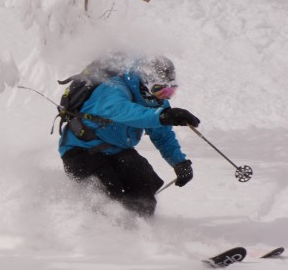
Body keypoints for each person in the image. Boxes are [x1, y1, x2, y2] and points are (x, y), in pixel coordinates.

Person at [58, 55, 200, 217]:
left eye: (170, 91)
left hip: (117, 150)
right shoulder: (113, 88)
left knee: (144, 187)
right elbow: (125, 112)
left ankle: (142, 231)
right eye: (159, 89)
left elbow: (162, 135)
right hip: (80, 151)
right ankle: (98, 232)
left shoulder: (155, 102)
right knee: (110, 193)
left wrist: (179, 163)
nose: (164, 96)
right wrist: (163, 116)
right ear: (145, 82)